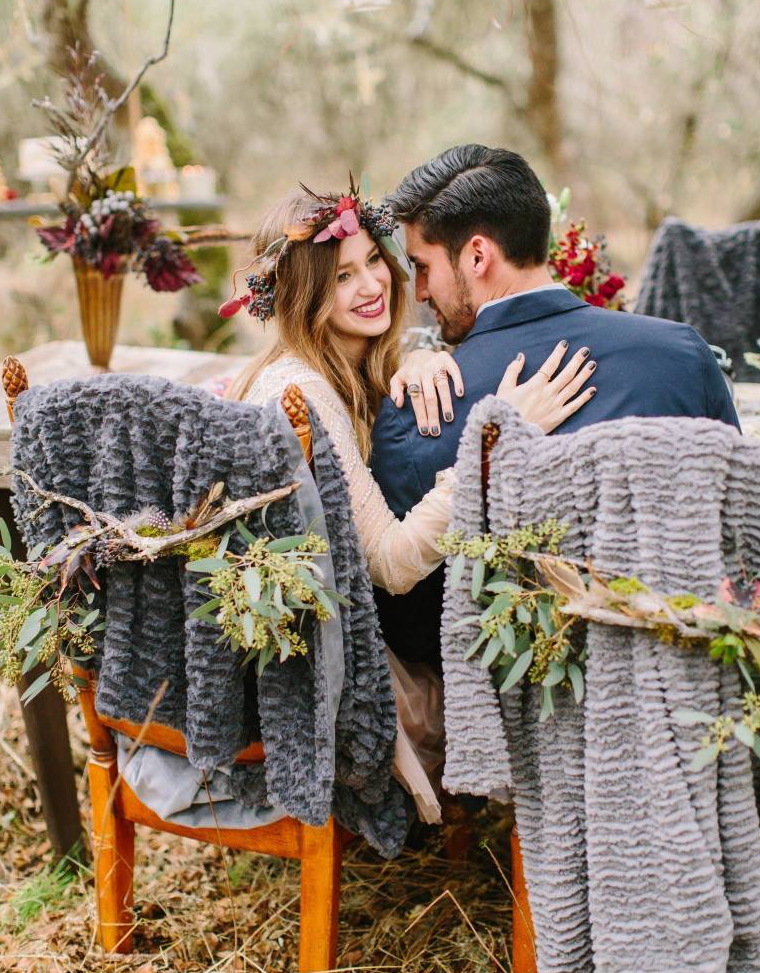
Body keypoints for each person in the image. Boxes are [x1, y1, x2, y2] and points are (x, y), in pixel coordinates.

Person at [222, 181, 596, 824]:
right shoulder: (300, 391)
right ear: (301, 295)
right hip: (319, 675)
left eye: (375, 262)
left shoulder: (349, 366)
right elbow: (392, 564)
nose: (372, 286)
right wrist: (494, 438)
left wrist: (422, 357)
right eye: (341, 276)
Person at [370, 144, 741, 667]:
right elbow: (736, 531)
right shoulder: (682, 356)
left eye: (423, 266)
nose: (422, 291)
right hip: (683, 677)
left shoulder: (419, 414)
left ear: (478, 256)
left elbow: (415, 636)